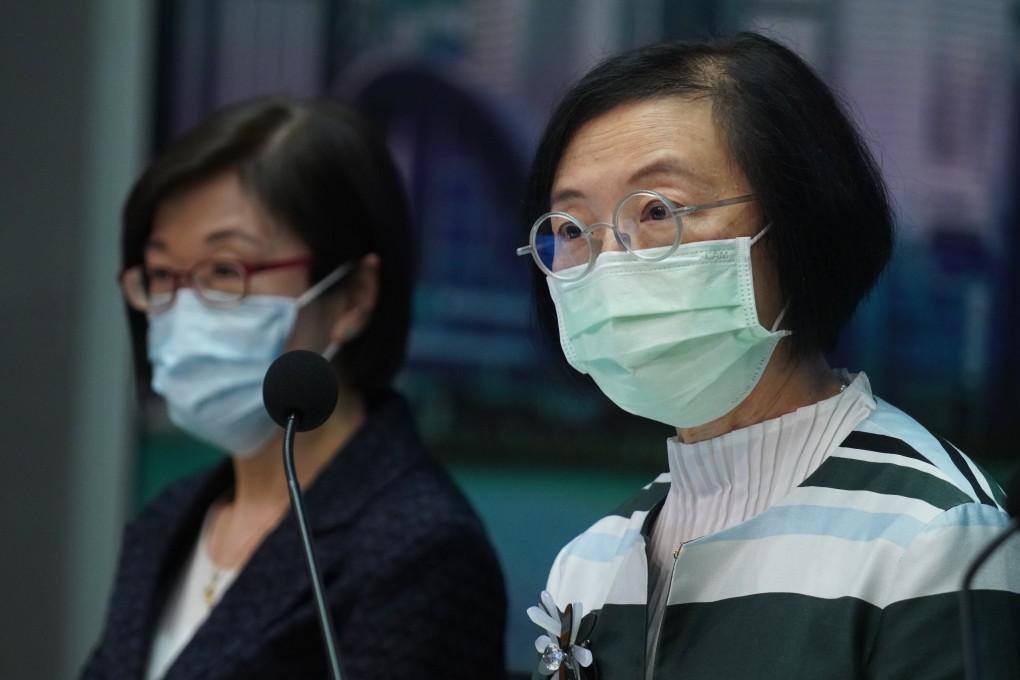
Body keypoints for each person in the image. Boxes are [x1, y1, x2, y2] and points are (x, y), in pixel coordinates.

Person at [516, 32, 1020, 679]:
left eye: (657, 210)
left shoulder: (936, 534)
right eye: (569, 227)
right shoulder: (590, 561)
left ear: (796, 223)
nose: (609, 260)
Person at [81, 97, 507, 680]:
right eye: (161, 276)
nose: (182, 311)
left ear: (352, 296)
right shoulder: (170, 518)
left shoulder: (420, 549)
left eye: (225, 271)